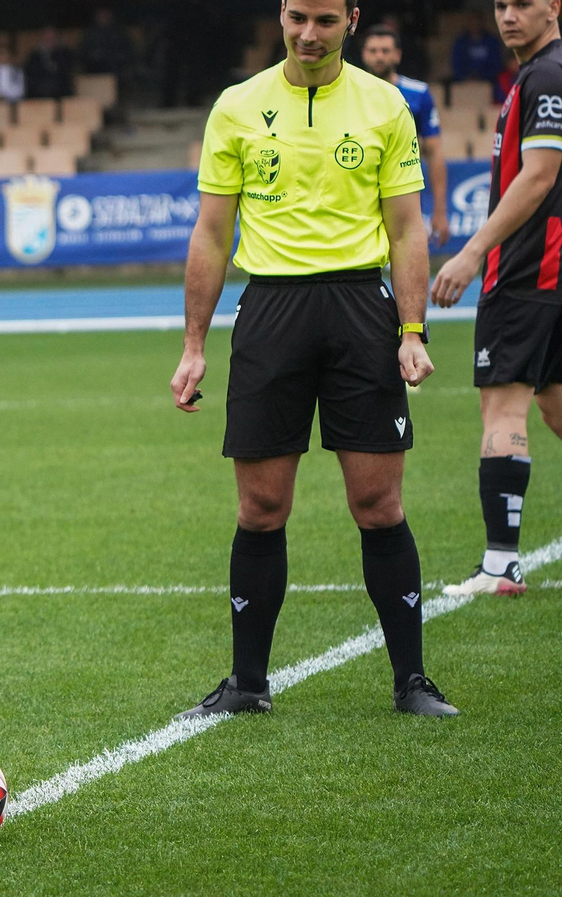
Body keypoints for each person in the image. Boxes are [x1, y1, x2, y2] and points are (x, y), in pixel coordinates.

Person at [169, 0, 457, 719]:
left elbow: (407, 227)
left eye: (325, 20)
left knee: (378, 503)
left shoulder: (385, 105)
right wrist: (194, 345)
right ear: (281, 13)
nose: (308, 33)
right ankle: (247, 682)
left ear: (351, 20)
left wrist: (412, 329)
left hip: (362, 309)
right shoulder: (237, 106)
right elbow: (210, 233)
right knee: (261, 507)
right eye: (298, 16)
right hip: (270, 312)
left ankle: (411, 680)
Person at [429, 0, 562, 597]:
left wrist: (473, 251)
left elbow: (539, 173)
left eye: (523, 4)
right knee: (556, 405)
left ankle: (499, 564)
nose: (508, 15)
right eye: (500, 5)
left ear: (553, 7)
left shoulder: (547, 75)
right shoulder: (539, 73)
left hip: (527, 270)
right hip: (551, 273)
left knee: (501, 407)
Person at [361, 25, 450, 246]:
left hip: (401, 190)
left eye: (385, 50)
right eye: (373, 51)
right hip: (360, 190)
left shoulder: (418, 93)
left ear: (397, 55)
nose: (379, 56)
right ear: (364, 54)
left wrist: (440, 211)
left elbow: (434, 151)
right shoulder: (349, 92)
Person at [452, 12, 508, 88]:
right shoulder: (460, 42)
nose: (475, 25)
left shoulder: (492, 41)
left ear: (482, 23)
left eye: (477, 22)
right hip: (464, 82)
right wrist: (466, 78)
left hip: (488, 81)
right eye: (472, 22)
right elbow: (457, 64)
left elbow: (496, 64)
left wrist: (482, 77)